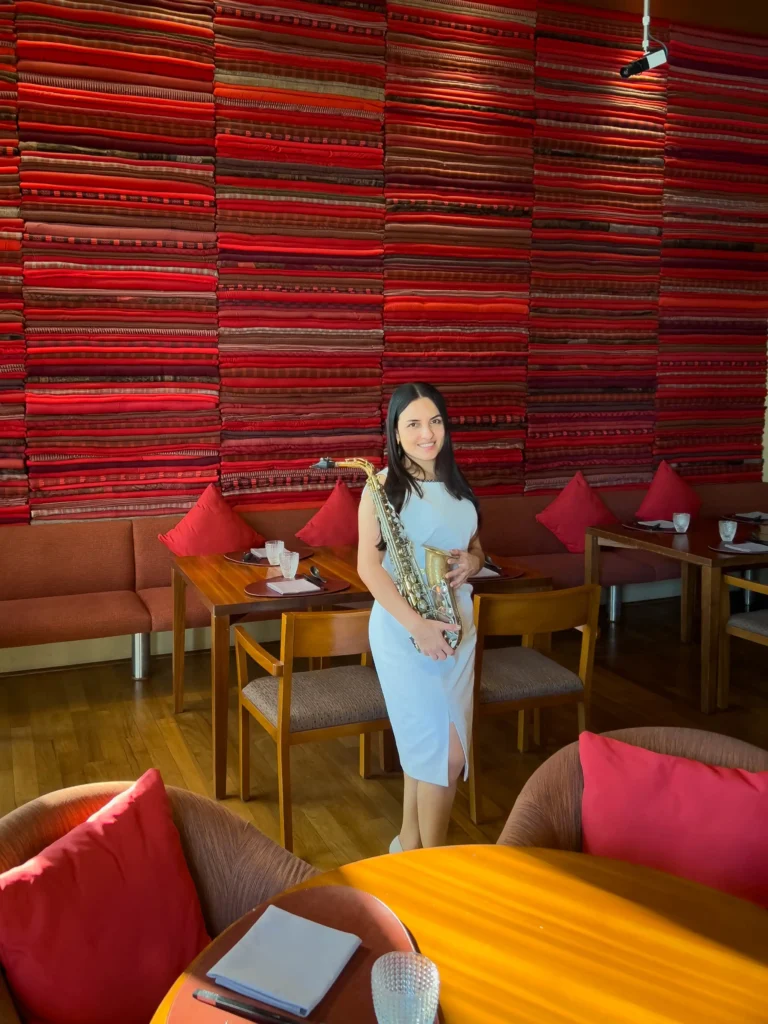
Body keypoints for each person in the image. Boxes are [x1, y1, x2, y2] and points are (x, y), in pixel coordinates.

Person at [357, 382, 484, 851]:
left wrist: (474, 562)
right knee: (444, 755)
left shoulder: (456, 484)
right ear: (395, 431)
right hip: (405, 633)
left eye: (434, 421)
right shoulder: (381, 489)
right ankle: (435, 866)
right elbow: (368, 567)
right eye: (412, 424)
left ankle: (407, 848)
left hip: (458, 629)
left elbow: (474, 544)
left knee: (427, 749)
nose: (426, 433)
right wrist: (418, 628)